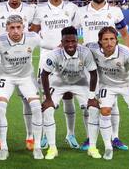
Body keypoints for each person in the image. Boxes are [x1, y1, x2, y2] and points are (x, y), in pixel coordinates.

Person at [74, 0, 129, 154]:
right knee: (89, 103)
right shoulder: (81, 12)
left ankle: (114, 137)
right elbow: (73, 35)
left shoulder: (115, 11)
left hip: (110, 64)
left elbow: (124, 35)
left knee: (112, 103)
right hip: (88, 65)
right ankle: (89, 137)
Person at [87, 27, 129, 160]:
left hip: (127, 85)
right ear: (100, 41)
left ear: (116, 40)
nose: (109, 42)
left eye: (112, 39)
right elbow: (78, 47)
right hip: (107, 86)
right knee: (105, 111)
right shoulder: (92, 48)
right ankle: (108, 148)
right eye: (105, 39)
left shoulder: (127, 53)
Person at [30, 0, 79, 149]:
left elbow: (75, 32)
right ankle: (44, 135)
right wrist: (47, 44)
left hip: (68, 58)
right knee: (46, 97)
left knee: (68, 95)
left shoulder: (72, 8)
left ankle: (70, 134)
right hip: (46, 57)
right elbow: (33, 33)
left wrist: (65, 45)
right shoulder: (39, 9)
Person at [0, 0, 36, 151]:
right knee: (0, 103)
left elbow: (35, 30)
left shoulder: (30, 10)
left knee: (28, 100)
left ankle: (30, 136)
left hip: (25, 64)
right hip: (3, 65)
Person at [0, 15, 43, 160]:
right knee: (0, 107)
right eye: (12, 28)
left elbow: (50, 45)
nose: (15, 31)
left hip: (26, 78)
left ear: (23, 27)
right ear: (7, 28)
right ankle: (3, 147)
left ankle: (36, 146)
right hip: (6, 78)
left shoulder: (33, 38)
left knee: (37, 107)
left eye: (18, 27)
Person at [41, 26, 97, 160]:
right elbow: (44, 75)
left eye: (73, 41)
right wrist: (48, 99)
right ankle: (52, 148)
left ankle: (92, 146)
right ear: (62, 41)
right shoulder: (54, 54)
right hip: (58, 83)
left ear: (78, 40)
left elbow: (93, 74)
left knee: (93, 109)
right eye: (67, 41)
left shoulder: (85, 52)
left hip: (80, 82)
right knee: (48, 109)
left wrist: (91, 97)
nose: (70, 44)